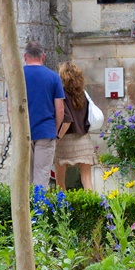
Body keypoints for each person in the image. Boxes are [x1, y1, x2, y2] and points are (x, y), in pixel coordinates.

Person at [23, 40, 65, 189]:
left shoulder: (18, 76)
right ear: (43, 56)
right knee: (41, 174)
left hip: (24, 130)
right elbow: (60, 109)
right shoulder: (53, 77)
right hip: (46, 130)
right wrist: (56, 130)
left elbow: (10, 107)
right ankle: (39, 209)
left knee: (25, 175)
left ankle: (26, 210)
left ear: (25, 56)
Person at [54, 61, 95, 191]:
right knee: (87, 179)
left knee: (60, 180)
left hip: (65, 141)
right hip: (83, 140)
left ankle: (62, 208)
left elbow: (67, 121)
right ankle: (92, 207)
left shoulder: (61, 94)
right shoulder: (83, 94)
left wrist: (57, 137)